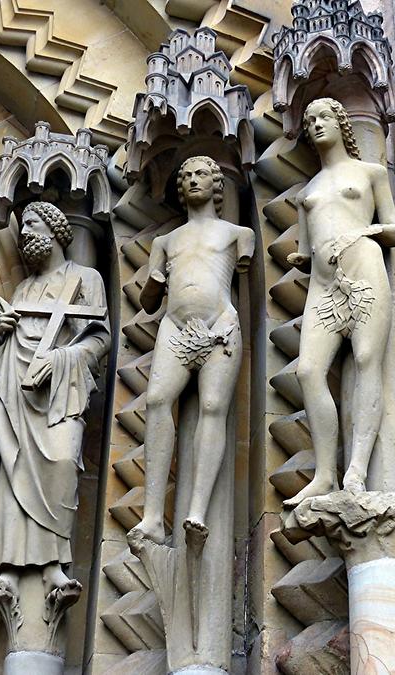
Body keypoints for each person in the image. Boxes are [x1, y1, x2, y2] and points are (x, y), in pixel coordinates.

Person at [0, 201, 110, 605]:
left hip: (59, 392)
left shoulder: (86, 279)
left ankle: (53, 565)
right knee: (10, 475)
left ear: (56, 229)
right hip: (12, 389)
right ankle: (10, 569)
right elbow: (4, 343)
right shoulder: (23, 289)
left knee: (63, 464)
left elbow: (100, 339)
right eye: (23, 224)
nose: (26, 231)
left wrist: (60, 359)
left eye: (33, 223)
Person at [128, 156, 254, 545]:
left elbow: (245, 287)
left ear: (217, 184)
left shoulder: (238, 234)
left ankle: (197, 508)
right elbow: (149, 304)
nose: (193, 180)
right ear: (179, 188)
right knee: (156, 401)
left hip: (220, 327)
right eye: (186, 175)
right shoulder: (165, 242)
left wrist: (221, 326)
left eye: (201, 173)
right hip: (175, 328)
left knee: (214, 407)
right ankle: (151, 516)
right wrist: (153, 280)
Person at [284, 97, 395, 507]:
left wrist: (359, 235)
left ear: (342, 123)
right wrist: (301, 256)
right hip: (322, 283)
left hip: (365, 268)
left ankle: (357, 468)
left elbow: (393, 228)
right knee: (307, 371)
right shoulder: (308, 191)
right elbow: (304, 245)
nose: (316, 125)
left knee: (367, 358)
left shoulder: (370, 173)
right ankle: (323, 474)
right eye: (310, 120)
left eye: (324, 118)